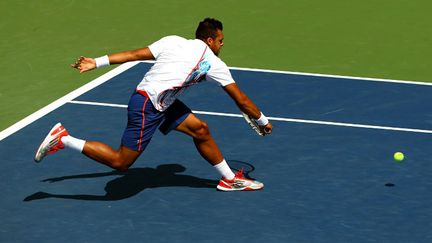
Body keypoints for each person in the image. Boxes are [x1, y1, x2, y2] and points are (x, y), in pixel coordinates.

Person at [34, 18, 273, 191]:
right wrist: (262, 121)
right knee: (121, 162)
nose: (222, 45)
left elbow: (133, 54)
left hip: (160, 101)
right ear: (210, 40)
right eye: (221, 41)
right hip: (148, 105)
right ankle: (64, 139)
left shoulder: (173, 41)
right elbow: (240, 99)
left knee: (200, 129)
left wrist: (96, 62)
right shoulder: (213, 63)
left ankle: (229, 179)